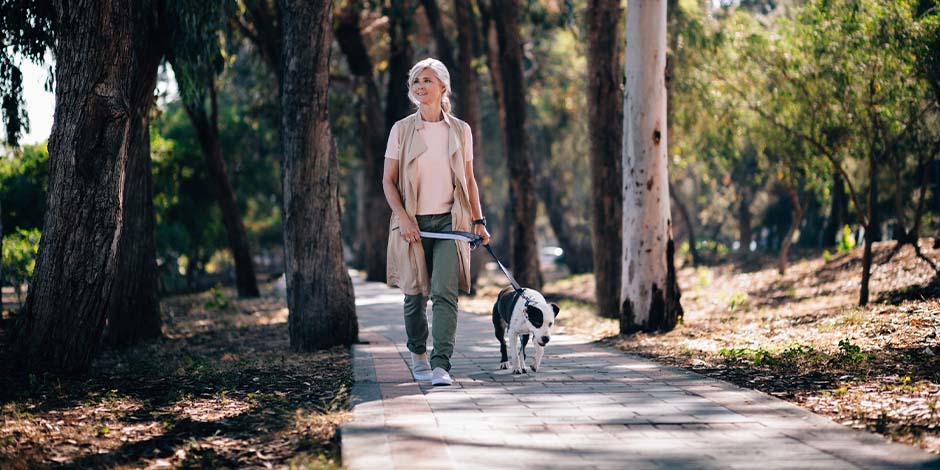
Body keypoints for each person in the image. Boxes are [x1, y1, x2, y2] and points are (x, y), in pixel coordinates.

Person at [382, 58, 491, 386]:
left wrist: (478, 221)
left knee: (445, 294)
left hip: (449, 223)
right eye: (415, 80)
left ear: (443, 87)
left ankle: (441, 364)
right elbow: (388, 181)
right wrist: (404, 219)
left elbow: (469, 180)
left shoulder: (460, 130)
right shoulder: (401, 129)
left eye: (427, 80)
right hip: (412, 224)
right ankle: (418, 355)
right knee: (414, 296)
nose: (420, 86)